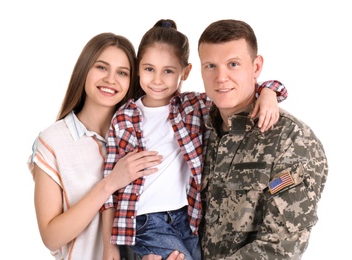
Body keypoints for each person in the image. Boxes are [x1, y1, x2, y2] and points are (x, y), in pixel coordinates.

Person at [101, 19, 288, 260]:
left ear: (186, 72)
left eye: (168, 71)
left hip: (186, 218)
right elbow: (110, 184)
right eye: (149, 69)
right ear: (138, 68)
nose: (157, 80)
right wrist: (110, 245)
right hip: (145, 220)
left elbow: (237, 93)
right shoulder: (124, 118)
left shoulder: (192, 106)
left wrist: (269, 93)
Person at [163, 19, 328, 260]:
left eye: (233, 64)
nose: (221, 77)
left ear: (256, 66)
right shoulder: (197, 127)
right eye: (210, 65)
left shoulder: (291, 140)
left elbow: (281, 247)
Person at [27, 32, 164, 260]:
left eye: (122, 72)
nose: (111, 79)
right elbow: (51, 236)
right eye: (101, 67)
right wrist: (110, 182)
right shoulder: (53, 142)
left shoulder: (144, 135)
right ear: (84, 70)